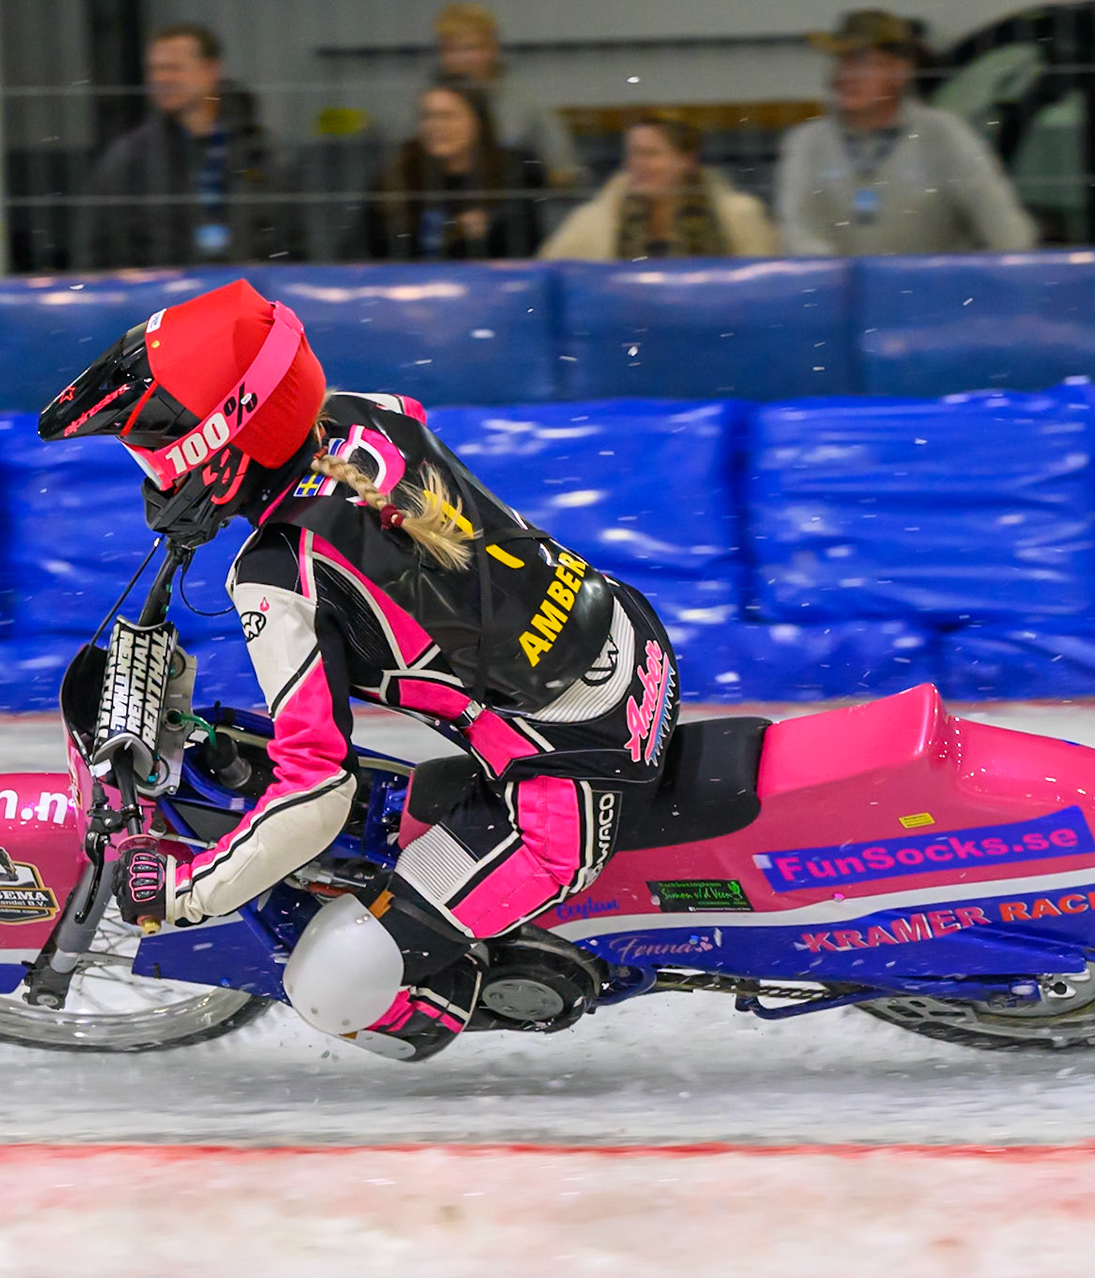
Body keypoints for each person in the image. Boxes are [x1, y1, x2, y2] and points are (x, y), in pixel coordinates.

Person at [37, 280, 678, 1062]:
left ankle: (459, 986)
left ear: (219, 444)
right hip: (629, 643)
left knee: (330, 984)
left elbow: (314, 791)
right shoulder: (362, 414)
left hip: (568, 784)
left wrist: (179, 899)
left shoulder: (281, 572)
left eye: (153, 449)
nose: (152, 474)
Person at [775, 10, 1036, 256]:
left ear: (899, 72)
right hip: (841, 297)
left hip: (932, 296)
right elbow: (799, 234)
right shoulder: (807, 143)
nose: (846, 76)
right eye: (842, 62)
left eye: (862, 63)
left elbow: (1005, 227)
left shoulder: (943, 134)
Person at [76, 23, 289, 269]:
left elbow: (291, 236)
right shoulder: (129, 158)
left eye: (173, 68)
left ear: (211, 70)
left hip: (247, 299)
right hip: (161, 303)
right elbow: (97, 248)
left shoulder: (260, 151)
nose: (161, 79)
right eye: (155, 70)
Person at [540, 113, 779, 260]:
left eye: (650, 154)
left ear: (686, 160)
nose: (637, 165)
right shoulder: (593, 222)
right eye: (634, 154)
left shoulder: (738, 216)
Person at [357, 76, 544, 261]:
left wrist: (487, 231)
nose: (435, 126)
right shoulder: (397, 174)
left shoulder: (513, 170)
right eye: (426, 116)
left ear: (478, 122)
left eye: (447, 116)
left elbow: (528, 247)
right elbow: (362, 249)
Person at [432, 3, 583, 187]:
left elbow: (566, 173)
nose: (461, 59)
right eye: (451, 50)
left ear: (492, 49)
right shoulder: (428, 104)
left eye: (470, 48)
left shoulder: (528, 103)